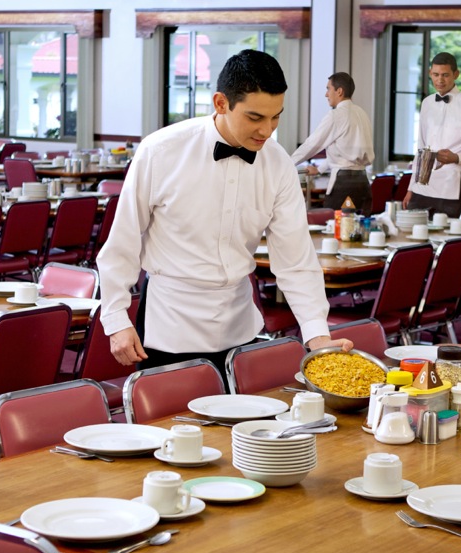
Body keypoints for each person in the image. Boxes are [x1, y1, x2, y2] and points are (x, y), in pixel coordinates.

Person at [97, 49, 352, 380]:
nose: (267, 131)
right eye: (255, 118)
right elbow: (123, 241)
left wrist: (318, 335)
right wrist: (116, 318)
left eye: (276, 117)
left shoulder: (278, 164)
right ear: (221, 103)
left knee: (241, 429)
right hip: (169, 325)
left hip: (240, 327)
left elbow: (295, 260)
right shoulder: (160, 151)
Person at [403, 52, 461, 218]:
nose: (440, 80)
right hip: (422, 187)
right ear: (430, 73)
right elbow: (421, 149)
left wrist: (456, 158)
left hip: (451, 188)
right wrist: (410, 188)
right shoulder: (427, 103)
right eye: (436, 75)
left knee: (448, 240)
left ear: (455, 75)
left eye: (445, 75)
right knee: (413, 237)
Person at [291, 72, 375, 215]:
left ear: (339, 91)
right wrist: (320, 169)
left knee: (331, 228)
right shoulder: (362, 113)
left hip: (343, 185)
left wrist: (287, 163)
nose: (326, 94)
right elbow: (344, 150)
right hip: (363, 183)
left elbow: (312, 145)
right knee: (358, 232)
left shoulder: (336, 116)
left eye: (328, 89)